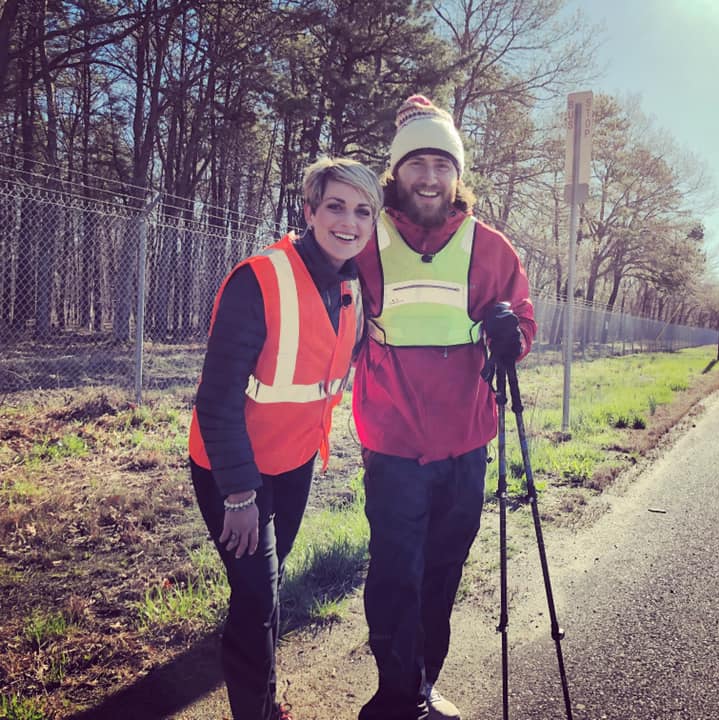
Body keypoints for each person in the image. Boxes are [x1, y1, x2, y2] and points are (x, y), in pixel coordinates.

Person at [352, 95, 537, 720]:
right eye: (416, 164)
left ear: (458, 175)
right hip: (393, 441)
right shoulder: (365, 239)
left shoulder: (490, 247)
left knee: (442, 571)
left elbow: (520, 316)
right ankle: (393, 693)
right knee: (395, 572)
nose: (429, 178)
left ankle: (424, 687)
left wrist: (512, 332)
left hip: (466, 443)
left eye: (442, 164)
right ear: (395, 173)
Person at [188, 157, 383, 720]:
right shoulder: (260, 278)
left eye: (362, 211)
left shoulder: (353, 285)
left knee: (264, 588)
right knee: (257, 595)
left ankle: (258, 682)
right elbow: (217, 398)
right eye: (335, 207)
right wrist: (240, 495)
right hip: (232, 471)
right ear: (309, 211)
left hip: (295, 463)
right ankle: (260, 711)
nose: (348, 222)